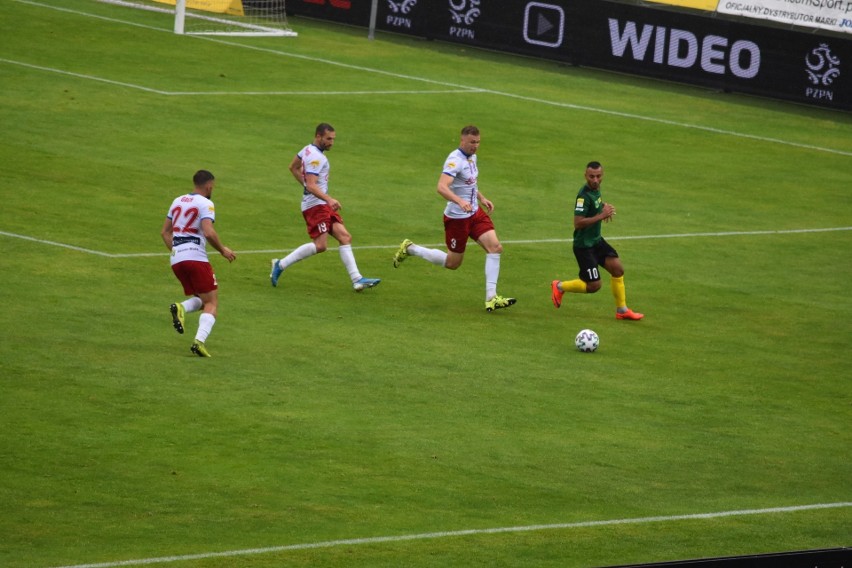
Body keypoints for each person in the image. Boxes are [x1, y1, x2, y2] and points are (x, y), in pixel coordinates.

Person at [393, 125, 515, 312]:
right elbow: (441, 187)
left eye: (478, 142)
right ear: (462, 141)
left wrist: (482, 198)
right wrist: (459, 201)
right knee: (453, 263)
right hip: (457, 218)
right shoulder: (454, 161)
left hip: (475, 214)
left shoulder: (472, 157)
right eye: (472, 142)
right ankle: (411, 249)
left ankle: (491, 298)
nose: (475, 146)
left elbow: (470, 182)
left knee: (495, 247)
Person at [270, 123, 381, 292]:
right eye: (328, 139)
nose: (331, 143)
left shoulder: (307, 149)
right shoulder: (316, 158)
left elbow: (293, 167)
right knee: (321, 245)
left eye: (333, 139)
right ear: (318, 136)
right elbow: (313, 185)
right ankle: (281, 264)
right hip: (315, 206)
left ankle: (357, 279)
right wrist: (327, 198)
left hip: (320, 204)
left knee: (345, 237)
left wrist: (306, 185)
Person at [551, 161, 643, 320]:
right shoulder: (583, 196)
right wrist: (601, 215)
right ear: (585, 176)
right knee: (594, 286)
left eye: (598, 176)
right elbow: (578, 223)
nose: (595, 180)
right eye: (591, 176)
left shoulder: (596, 189)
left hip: (596, 241)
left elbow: (595, 205)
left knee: (618, 269)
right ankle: (559, 286)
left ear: (602, 175)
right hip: (584, 246)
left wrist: (602, 208)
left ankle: (622, 310)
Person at [162, 170, 237, 357]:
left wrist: (178, 251)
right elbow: (209, 232)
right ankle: (198, 341)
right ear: (209, 185)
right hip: (195, 257)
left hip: (176, 259)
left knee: (203, 300)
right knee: (212, 302)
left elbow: (165, 232)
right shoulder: (206, 203)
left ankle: (182, 308)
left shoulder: (177, 200)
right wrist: (222, 250)